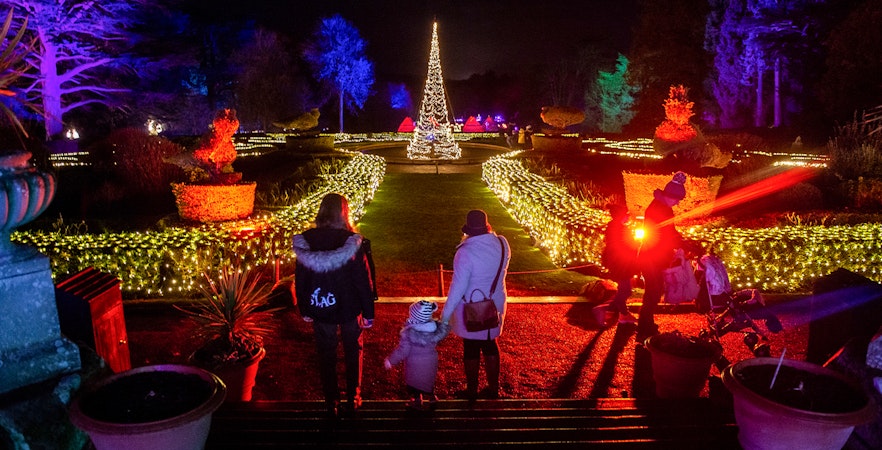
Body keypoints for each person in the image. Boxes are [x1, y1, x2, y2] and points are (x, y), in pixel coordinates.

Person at [293, 193, 378, 418]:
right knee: (353, 350)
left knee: (326, 353)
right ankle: (354, 396)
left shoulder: (306, 241)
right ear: (344, 212)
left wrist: (304, 308)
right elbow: (363, 280)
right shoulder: (351, 241)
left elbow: (300, 278)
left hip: (321, 305)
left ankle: (332, 401)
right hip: (350, 306)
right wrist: (369, 312)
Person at [440, 210, 511, 400]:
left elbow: (457, 288)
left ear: (468, 230)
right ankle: (493, 388)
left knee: (471, 348)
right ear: (487, 226)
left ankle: (472, 390)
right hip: (494, 303)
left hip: (472, 308)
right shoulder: (502, 244)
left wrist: (445, 316)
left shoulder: (465, 252)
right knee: (490, 345)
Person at [636, 172, 686, 341]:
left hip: (653, 256)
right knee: (653, 292)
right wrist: (680, 243)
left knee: (654, 292)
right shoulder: (660, 209)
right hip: (651, 257)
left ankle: (646, 324)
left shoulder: (662, 206)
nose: (678, 202)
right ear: (670, 195)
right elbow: (665, 233)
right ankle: (644, 327)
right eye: (677, 199)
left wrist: (679, 240)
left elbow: (668, 231)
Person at [384, 300, 450, 411]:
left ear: (414, 316)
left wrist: (391, 360)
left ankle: (417, 401)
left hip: (414, 363)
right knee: (427, 380)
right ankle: (432, 397)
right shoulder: (433, 330)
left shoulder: (410, 333)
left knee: (415, 384)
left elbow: (403, 351)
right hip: (430, 361)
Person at [601, 203, 639, 326]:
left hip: (618, 263)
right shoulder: (620, 229)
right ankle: (609, 309)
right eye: (626, 214)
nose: (628, 217)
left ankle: (623, 315)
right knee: (626, 291)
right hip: (621, 263)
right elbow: (628, 245)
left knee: (623, 289)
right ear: (620, 216)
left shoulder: (613, 227)